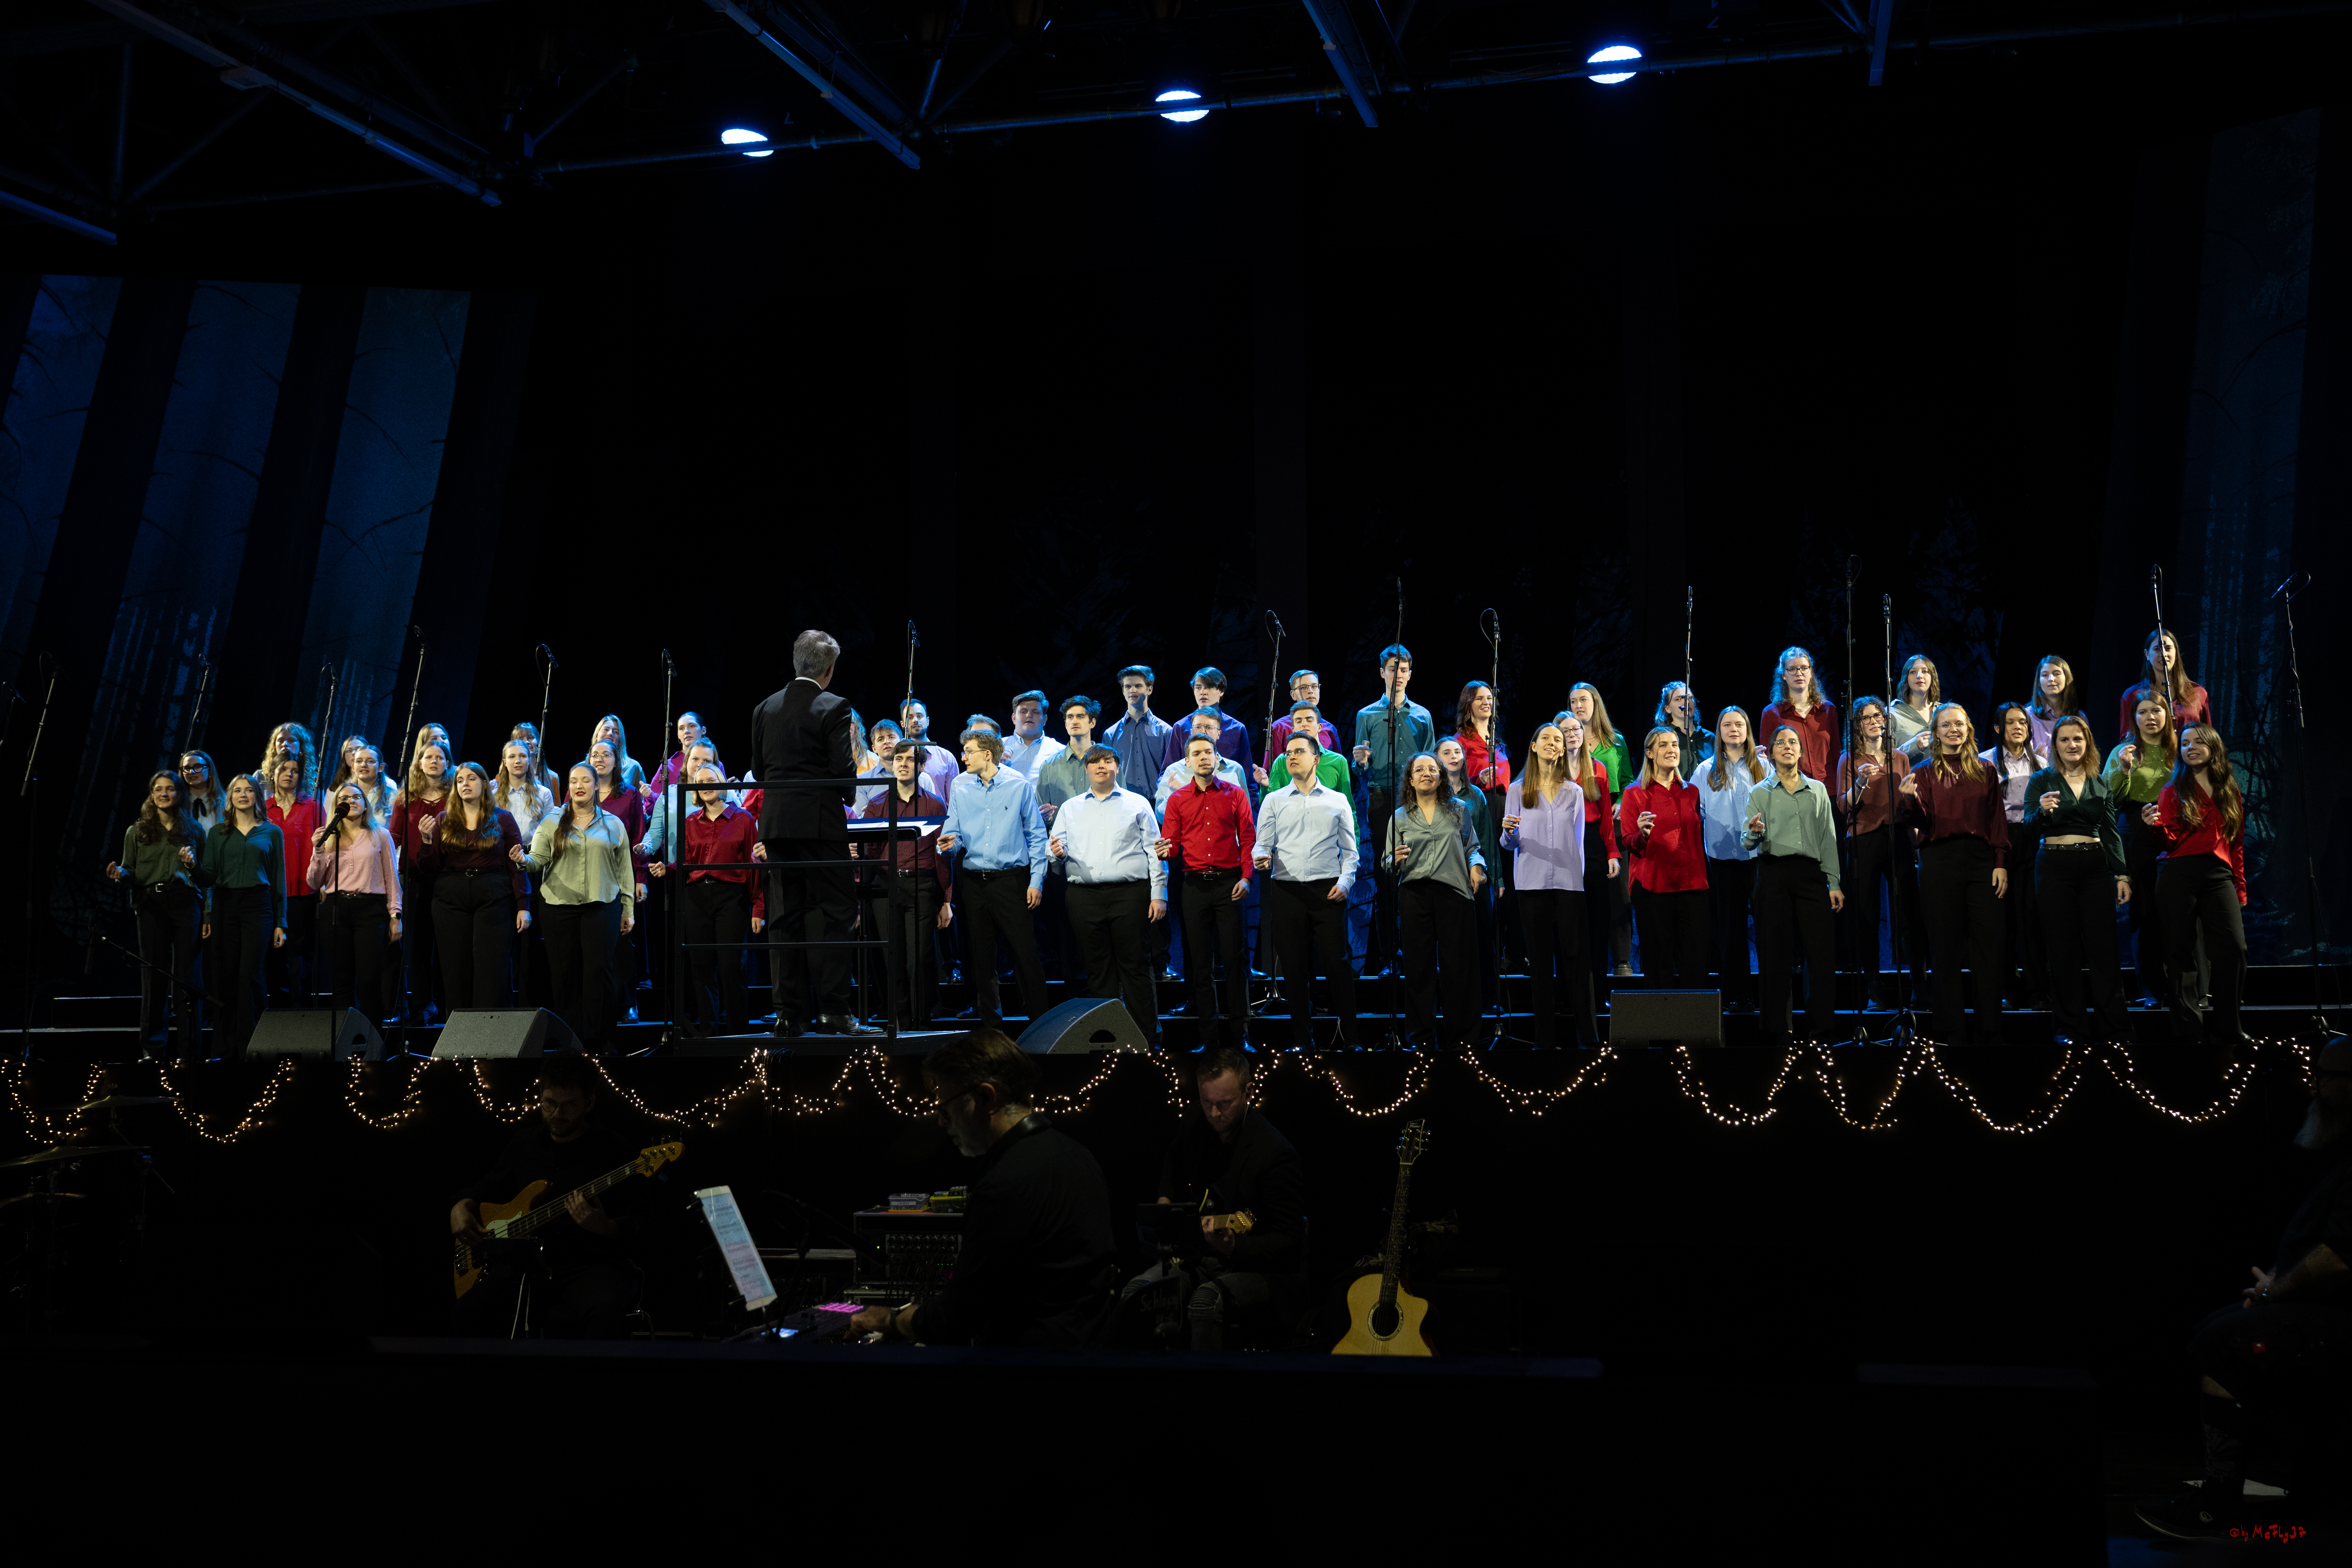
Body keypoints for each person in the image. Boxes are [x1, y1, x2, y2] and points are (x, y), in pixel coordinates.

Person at [2133, 1036, 2352, 1540]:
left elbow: (2342, 1258)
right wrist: (2276, 1285)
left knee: (2223, 1340)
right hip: (2323, 1308)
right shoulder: (2344, 1154)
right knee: (2216, 1328)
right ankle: (2303, 1482)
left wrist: (2277, 1293)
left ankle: (2221, 1500)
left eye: (2329, 1077)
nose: (2315, 1086)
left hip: (2342, 1317)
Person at [848, 1031, 1118, 1348]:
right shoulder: (1078, 1156)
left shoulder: (1006, 1185)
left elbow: (955, 1319)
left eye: (945, 1107)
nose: (941, 1121)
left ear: (986, 1097)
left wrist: (889, 1319)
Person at [448, 1053, 654, 1340]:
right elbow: (488, 1188)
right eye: (550, 1104)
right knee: (467, 1313)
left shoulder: (615, 1153)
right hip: (526, 1268)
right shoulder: (526, 1144)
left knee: (606, 1314)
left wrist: (607, 1227)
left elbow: (646, 1220)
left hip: (590, 1266)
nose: (557, 1114)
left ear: (589, 1104)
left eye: (569, 1105)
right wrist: (461, 1207)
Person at [1125, 1048, 1307, 1352]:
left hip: (1257, 1267)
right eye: (1207, 1101)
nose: (1213, 1113)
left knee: (1205, 1302)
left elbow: (1289, 1240)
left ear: (1248, 1091)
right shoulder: (1198, 1118)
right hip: (1199, 1254)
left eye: (1224, 1104)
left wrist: (1235, 1246)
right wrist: (1165, 1197)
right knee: (1138, 1293)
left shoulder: (1275, 1153)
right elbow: (1173, 1157)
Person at [748, 630, 870, 1038]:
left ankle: (787, 1014)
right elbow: (841, 766)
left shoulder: (764, 707)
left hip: (778, 823)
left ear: (796, 663)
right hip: (820, 823)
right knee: (839, 911)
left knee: (784, 915)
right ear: (829, 671)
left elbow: (760, 771)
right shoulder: (834, 705)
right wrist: (847, 792)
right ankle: (834, 1010)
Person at [1898, 703, 2011, 1044]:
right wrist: (1909, 801)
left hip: (1980, 861)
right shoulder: (1922, 772)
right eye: (1946, 725)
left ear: (1969, 729)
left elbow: (1996, 820)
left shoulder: (1985, 769)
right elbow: (1920, 823)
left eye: (1959, 724)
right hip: (1938, 860)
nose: (1953, 730)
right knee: (1944, 945)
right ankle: (1951, 1028)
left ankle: (1990, 1026)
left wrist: (2000, 863)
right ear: (1935, 733)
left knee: (1986, 945)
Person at [2021, 717, 2130, 1046]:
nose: (2072, 745)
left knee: (2104, 950)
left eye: (2078, 739)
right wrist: (2041, 812)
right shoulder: (2042, 779)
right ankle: (2070, 1028)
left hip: (2095, 867)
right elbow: (2027, 828)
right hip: (2055, 866)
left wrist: (2122, 873)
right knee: (2063, 949)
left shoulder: (2100, 781)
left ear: (2088, 743)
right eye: (2065, 740)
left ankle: (2116, 1029)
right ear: (2055, 745)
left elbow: (2111, 831)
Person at [515, 764, 635, 1056]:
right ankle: (571, 1040)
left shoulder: (613, 824)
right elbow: (537, 860)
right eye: (573, 781)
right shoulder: (552, 821)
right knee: (565, 974)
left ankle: (600, 1039)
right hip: (559, 908)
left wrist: (628, 908)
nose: (579, 785)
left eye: (586, 781)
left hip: (602, 905)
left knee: (600, 973)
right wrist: (522, 860)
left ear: (597, 786)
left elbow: (625, 870)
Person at [1048, 744, 1165, 1042]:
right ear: (1086, 769)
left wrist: (1159, 894)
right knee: (1098, 969)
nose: (1102, 766)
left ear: (1118, 767)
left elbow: (1156, 851)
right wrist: (1057, 854)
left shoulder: (1137, 803)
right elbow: (1054, 852)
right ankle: (1111, 1039)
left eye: (1109, 761)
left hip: (1130, 894)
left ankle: (1147, 1038)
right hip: (1084, 897)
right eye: (1095, 762)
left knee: (1135, 966)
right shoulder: (1070, 807)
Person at [939, 728, 1051, 1027]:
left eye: (969, 751)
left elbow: (1037, 837)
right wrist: (950, 844)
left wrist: (1036, 881)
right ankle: (991, 1027)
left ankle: (1040, 1024)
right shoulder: (962, 793)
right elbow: (955, 836)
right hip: (975, 883)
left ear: (987, 755)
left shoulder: (1019, 787)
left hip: (1011, 881)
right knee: (981, 958)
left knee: (1025, 955)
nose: (963, 757)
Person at [1254, 731, 1359, 1049]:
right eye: (1288, 752)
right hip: (1286, 892)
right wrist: (1260, 859)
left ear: (1316, 759)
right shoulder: (1274, 799)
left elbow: (1351, 852)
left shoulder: (1337, 800)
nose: (1291, 756)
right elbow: (1262, 844)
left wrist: (1345, 882)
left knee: (1337, 965)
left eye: (1299, 751)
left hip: (1328, 892)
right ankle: (1304, 1039)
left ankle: (1351, 1038)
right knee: (1294, 967)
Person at [1741, 726, 1845, 1042]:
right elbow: (1747, 841)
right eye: (1781, 743)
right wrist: (1755, 832)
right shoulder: (1760, 792)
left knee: (1820, 952)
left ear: (1801, 752)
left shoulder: (1816, 790)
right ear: (1771, 753)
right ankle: (1777, 1027)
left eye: (1794, 743)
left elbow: (1829, 837)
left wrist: (1834, 882)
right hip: (1773, 875)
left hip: (1812, 876)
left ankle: (1821, 1026)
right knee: (1775, 953)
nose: (1788, 747)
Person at [1501, 722, 1602, 1046]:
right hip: (1531, 884)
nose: (1553, 743)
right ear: (1534, 746)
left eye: (1558, 740)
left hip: (1569, 885)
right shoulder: (1518, 790)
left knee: (1576, 961)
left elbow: (1579, 842)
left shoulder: (1574, 791)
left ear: (1563, 750)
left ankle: (1587, 1036)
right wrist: (1508, 831)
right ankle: (1545, 1040)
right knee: (1541, 965)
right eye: (1546, 737)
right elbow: (1508, 842)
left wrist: (1579, 881)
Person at [2148, 725, 2250, 1046]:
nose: (2190, 747)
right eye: (2186, 743)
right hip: (2178, 872)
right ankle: (2188, 1030)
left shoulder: (2229, 790)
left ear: (2214, 747)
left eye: (2198, 742)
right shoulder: (2172, 789)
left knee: (2234, 947)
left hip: (2218, 874)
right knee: (2181, 951)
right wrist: (2155, 826)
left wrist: (2240, 886)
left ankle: (2229, 1027)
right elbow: (2169, 842)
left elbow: (2237, 843)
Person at [646, 763, 766, 1035]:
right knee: (701, 967)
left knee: (731, 967)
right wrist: (667, 870)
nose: (706, 785)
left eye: (711, 779)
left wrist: (758, 906)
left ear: (722, 783)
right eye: (700, 782)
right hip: (697, 896)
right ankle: (708, 1034)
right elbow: (686, 863)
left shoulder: (744, 819)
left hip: (732, 898)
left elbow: (754, 867)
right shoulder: (690, 822)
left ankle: (739, 1034)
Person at [1158, 731, 1256, 1046]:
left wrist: (1247, 877)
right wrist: (1165, 850)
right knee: (1200, 963)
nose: (1203, 757)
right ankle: (1209, 1038)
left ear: (1217, 758)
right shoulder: (1177, 799)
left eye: (1208, 752)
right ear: (1186, 761)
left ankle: (1240, 1035)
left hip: (1230, 884)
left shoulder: (1235, 794)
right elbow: (1172, 845)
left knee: (1235, 961)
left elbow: (1249, 838)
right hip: (1195, 886)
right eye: (1197, 753)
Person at [1386, 752, 1486, 1048]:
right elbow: (1387, 861)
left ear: (1442, 777)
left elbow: (1474, 847)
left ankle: (1464, 1038)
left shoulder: (1459, 809)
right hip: (1415, 894)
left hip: (1454, 892)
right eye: (1420, 769)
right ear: (1410, 779)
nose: (1426, 773)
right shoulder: (1401, 816)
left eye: (1433, 769)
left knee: (1459, 967)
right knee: (1419, 969)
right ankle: (1421, 1038)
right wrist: (1394, 859)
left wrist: (1478, 865)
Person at [106, 772, 207, 1062]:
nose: (164, 794)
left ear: (180, 794)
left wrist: (208, 913)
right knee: (154, 975)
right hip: (151, 904)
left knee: (188, 978)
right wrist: (120, 875)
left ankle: (190, 1051)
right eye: (158, 790)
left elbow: (205, 878)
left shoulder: (195, 830)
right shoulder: (136, 832)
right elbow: (129, 871)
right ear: (151, 796)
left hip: (187, 902)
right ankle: (153, 1049)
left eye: (171, 789)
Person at [1354, 645, 1437, 980]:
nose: (1398, 673)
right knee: (1387, 874)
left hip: (1415, 799)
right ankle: (1390, 955)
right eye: (1393, 668)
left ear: (1410, 674)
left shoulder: (1422, 715)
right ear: (1382, 672)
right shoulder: (1367, 715)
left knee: (1418, 871)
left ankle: (1422, 953)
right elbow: (1361, 768)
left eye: (1404, 669)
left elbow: (1432, 763)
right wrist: (1361, 764)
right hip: (1381, 796)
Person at [418, 761, 529, 1011]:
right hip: (451, 896)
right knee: (455, 967)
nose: (465, 784)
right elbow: (429, 867)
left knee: (493, 968)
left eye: (471, 779)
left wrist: (524, 905)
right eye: (460, 781)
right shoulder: (444, 819)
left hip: (494, 894)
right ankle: (459, 1040)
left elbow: (516, 865)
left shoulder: (503, 819)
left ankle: (491, 1037)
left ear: (484, 783)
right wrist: (426, 841)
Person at [1834, 696, 1923, 1010]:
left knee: (1909, 912)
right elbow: (1844, 806)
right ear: (1858, 725)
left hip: (1897, 836)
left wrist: (1911, 798)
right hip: (1864, 840)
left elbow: (1909, 804)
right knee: (1867, 915)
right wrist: (1859, 783)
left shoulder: (1899, 757)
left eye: (1878, 716)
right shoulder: (1850, 759)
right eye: (1867, 718)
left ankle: (1918, 984)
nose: (1874, 721)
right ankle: (1874, 987)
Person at [857, 742, 952, 1029]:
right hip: (886, 887)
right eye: (898, 759)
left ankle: (922, 1020)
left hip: (922, 886)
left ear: (921, 766)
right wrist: (857, 851)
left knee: (920, 958)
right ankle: (899, 1023)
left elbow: (942, 855)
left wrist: (947, 900)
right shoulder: (877, 805)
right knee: (893, 959)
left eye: (910, 760)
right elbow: (870, 852)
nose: (902, 764)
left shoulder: (934, 804)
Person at [198, 773, 286, 1059]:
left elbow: (279, 880)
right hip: (224, 906)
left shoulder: (271, 832)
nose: (243, 795)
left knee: (251, 975)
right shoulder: (217, 834)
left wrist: (280, 922)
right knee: (225, 976)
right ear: (230, 797)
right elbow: (208, 877)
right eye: (237, 791)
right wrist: (207, 913)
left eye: (249, 791)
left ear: (257, 797)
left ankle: (253, 1043)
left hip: (258, 906)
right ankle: (224, 1046)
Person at [2107, 694, 2182, 1010]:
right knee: (2145, 910)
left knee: (2177, 909)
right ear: (2134, 717)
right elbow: (2110, 796)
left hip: (2177, 829)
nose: (2151, 717)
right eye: (2143, 712)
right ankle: (2152, 987)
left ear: (2167, 715)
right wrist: (2124, 769)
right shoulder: (2125, 750)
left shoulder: (2178, 748)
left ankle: (2184, 986)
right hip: (2136, 829)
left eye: (2157, 710)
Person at [305, 779, 402, 1027]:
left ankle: (373, 1043)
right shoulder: (328, 838)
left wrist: (396, 915)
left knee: (370, 979)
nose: (351, 801)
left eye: (356, 797)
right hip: (337, 909)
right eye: (344, 798)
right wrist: (318, 851)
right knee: (341, 980)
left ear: (366, 804)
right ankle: (345, 1043)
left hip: (371, 909)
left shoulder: (380, 835)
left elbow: (391, 877)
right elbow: (315, 883)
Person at [1618, 726, 1709, 987]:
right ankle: (1660, 1025)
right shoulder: (1634, 794)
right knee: (1659, 963)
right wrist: (1642, 834)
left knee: (1695, 960)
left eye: (1675, 745)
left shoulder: (1691, 791)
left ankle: (1695, 1024)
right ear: (1649, 753)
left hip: (1692, 886)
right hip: (1653, 887)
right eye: (1664, 746)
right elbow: (1628, 842)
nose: (1672, 750)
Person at [1981, 702, 2050, 1010]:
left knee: (2032, 917)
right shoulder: (1984, 762)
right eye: (2011, 723)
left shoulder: (2042, 762)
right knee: (2003, 918)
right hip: (1999, 840)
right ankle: (2006, 988)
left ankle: (2036, 990)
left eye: (2023, 722)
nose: (2019, 727)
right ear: (1998, 729)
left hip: (2033, 839)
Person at [1699, 707, 1764, 1012]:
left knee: (1765, 927)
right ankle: (1733, 994)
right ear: (1719, 731)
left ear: (1748, 730)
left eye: (1740, 724)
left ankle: (1765, 993)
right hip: (1723, 858)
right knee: (1731, 928)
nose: (1734, 729)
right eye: (1727, 724)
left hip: (1759, 856)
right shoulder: (1705, 770)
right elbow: (1694, 812)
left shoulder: (1764, 765)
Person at [1556, 711, 1627, 981]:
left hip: (1593, 844)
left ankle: (1597, 990)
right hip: (1561, 845)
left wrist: (1612, 852)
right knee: (1568, 922)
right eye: (1566, 731)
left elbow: (1607, 815)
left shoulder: (1597, 768)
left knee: (1598, 920)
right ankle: (1567, 992)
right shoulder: (1552, 769)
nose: (1573, 734)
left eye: (1577, 730)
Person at [390, 740, 454, 1026]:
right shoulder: (406, 798)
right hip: (415, 876)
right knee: (418, 942)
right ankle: (421, 1003)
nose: (434, 762)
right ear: (419, 763)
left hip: (447, 876)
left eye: (440, 758)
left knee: (445, 941)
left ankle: (446, 1002)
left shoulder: (455, 796)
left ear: (448, 763)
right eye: (428, 757)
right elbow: (394, 838)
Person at [589, 739, 652, 1018]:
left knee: (622, 941)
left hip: (619, 877)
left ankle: (628, 1003)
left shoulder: (629, 796)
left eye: (606, 755)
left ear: (617, 761)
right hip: (586, 877)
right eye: (595, 754)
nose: (600, 759)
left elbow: (639, 838)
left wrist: (641, 877)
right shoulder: (578, 791)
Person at [1438, 737, 1501, 1005]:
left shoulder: (1475, 795)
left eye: (1457, 752)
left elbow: (1487, 838)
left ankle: (1488, 996)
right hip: (1446, 877)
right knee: (1452, 940)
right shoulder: (1433, 794)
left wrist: (1496, 876)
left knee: (1483, 935)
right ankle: (1452, 997)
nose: (1454, 756)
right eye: (1446, 753)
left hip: (1476, 875)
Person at [264, 755, 321, 1008]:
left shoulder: (313, 807)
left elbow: (325, 849)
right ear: (273, 774)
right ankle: (278, 1012)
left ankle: (302, 1012)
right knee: (274, 956)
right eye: (284, 769)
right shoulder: (262, 808)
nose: (289, 774)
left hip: (303, 890)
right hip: (270, 892)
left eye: (295, 770)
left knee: (300, 955)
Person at [1758, 645, 1841, 783]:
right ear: (1784, 676)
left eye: (1804, 668)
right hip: (1792, 790)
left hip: (1828, 789)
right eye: (1792, 669)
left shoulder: (1828, 710)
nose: (1799, 673)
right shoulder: (1771, 713)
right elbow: (1768, 760)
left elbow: (1837, 754)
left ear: (1811, 673)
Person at [2117, 628, 2213, 745]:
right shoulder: (2132, 696)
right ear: (2147, 654)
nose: (2164, 654)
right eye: (2158, 649)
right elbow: (2126, 741)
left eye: (2168, 649)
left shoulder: (2198, 693)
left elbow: (2208, 738)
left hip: (2189, 761)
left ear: (2176, 653)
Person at [1102, 666, 1175, 800]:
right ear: (1123, 691)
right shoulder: (1110, 735)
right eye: (1128, 687)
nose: (1132, 691)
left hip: (1156, 802)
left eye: (1138, 686)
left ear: (1150, 689)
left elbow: (1172, 771)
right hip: (1121, 803)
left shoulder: (1166, 732)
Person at [1159, 667, 1249, 772]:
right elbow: (1168, 772)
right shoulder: (1181, 727)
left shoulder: (1237, 729)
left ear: (1222, 691)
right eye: (1198, 688)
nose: (1203, 692)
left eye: (1209, 687)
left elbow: (1247, 776)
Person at [1035, 696, 1099, 821]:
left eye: (1080, 717)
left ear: (1092, 723)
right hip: (1064, 838)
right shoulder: (1049, 766)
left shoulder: (1109, 763)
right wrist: (1044, 819)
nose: (1074, 721)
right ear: (1066, 724)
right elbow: (1040, 816)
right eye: (1070, 717)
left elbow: (1122, 804)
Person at [1264, 670, 1341, 766]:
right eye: (1304, 687)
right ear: (1293, 695)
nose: (1311, 691)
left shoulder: (1330, 729)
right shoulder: (1280, 728)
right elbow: (1272, 769)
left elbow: (1338, 764)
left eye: (1314, 686)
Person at [2025, 655, 2092, 760]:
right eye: (2045, 675)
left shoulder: (2081, 718)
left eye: (2057, 674)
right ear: (2038, 683)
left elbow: (2086, 757)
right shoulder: (2028, 715)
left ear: (2067, 679)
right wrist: (2038, 762)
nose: (2051, 679)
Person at [639, 710, 710, 803]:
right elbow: (655, 806)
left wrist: (733, 791)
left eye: (692, 726)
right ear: (678, 735)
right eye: (682, 729)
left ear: (703, 730)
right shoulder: (669, 766)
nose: (687, 731)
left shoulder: (712, 761)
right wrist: (649, 796)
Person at [1000, 689, 1067, 779]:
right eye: (1023, 712)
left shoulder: (1061, 752)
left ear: (1045, 719)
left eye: (1036, 712)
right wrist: (995, 762)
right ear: (1014, 718)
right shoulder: (998, 748)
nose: (1029, 715)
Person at [1656, 681, 1715, 781]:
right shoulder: (1661, 738)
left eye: (1690, 698)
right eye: (1678, 699)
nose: (1686, 702)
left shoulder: (1710, 738)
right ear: (1668, 708)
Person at [1888, 655, 1941, 760]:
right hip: (1909, 776)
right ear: (1906, 678)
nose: (1919, 676)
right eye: (1913, 672)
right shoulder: (1891, 714)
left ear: (1932, 677)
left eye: (1925, 672)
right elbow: (1884, 760)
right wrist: (1912, 746)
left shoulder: (1943, 712)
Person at [589, 714, 646, 793]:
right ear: (597, 736)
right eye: (606, 729)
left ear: (620, 740)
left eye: (616, 732)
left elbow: (642, 802)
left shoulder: (633, 768)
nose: (610, 734)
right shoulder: (583, 767)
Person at [178, 750, 226, 835]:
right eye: (187, 768)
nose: (191, 772)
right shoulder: (177, 802)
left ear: (210, 771)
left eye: (198, 767)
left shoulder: (225, 803)